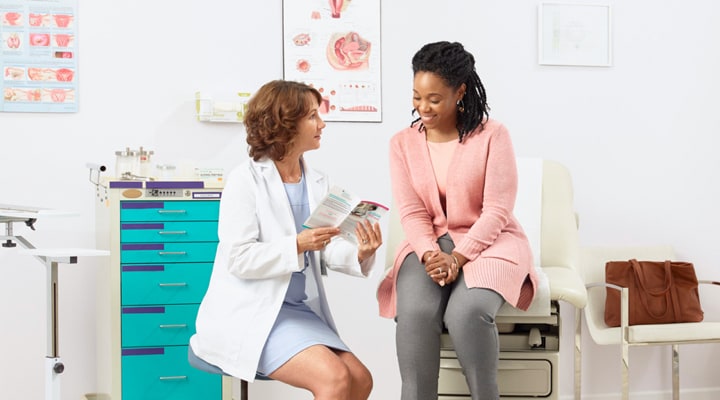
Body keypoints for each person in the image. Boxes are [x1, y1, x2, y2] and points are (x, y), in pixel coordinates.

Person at [189, 79, 381, 400]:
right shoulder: (245, 181)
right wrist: (298, 244)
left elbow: (326, 247)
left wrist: (361, 252)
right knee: (334, 379)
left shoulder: (318, 182)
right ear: (285, 123)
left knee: (360, 380)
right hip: (253, 313)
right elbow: (239, 259)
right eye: (312, 117)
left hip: (295, 310)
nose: (322, 124)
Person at [376, 41, 538, 400]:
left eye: (434, 98)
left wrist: (458, 258)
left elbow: (497, 210)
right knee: (414, 313)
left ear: (460, 91)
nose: (422, 107)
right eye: (417, 96)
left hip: (491, 242)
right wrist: (431, 254)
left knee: (467, 314)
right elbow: (412, 211)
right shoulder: (402, 143)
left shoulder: (493, 135)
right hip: (429, 244)